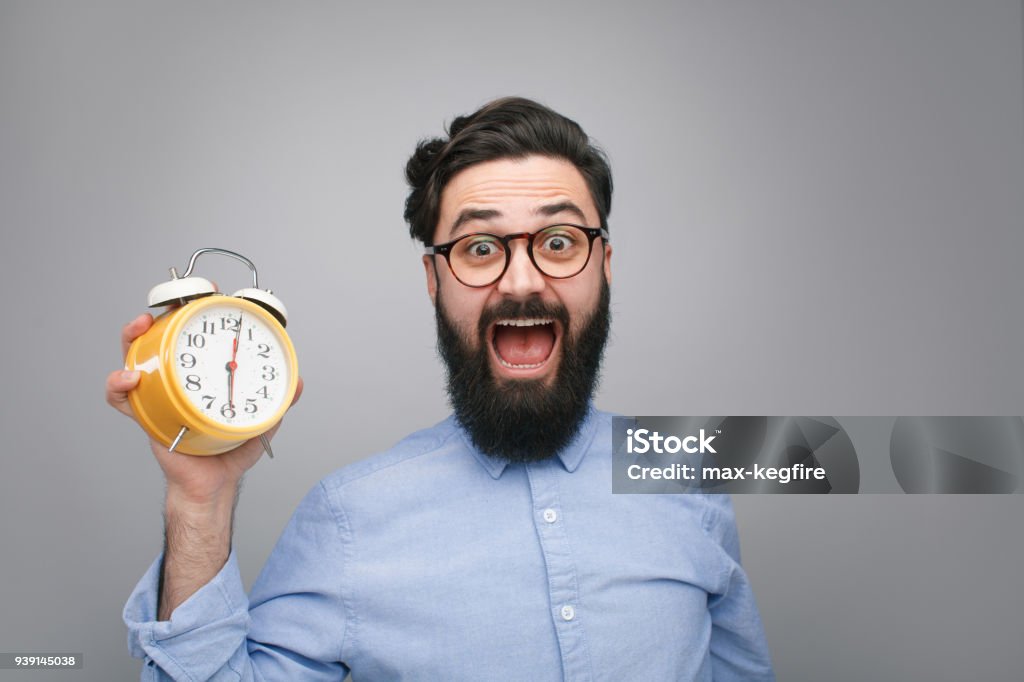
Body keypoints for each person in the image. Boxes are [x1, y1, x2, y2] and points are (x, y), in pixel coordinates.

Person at [107, 97, 775, 681]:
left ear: (603, 265)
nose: (520, 282)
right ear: (434, 279)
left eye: (562, 241)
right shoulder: (348, 520)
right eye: (480, 247)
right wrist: (200, 500)